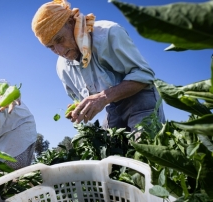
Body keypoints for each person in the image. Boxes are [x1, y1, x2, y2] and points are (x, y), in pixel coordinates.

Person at [31, 0, 165, 133]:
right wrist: (79, 108)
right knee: (108, 150)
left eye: (59, 39)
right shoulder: (62, 67)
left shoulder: (108, 33)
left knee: (144, 147)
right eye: (51, 47)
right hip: (112, 106)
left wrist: (103, 98)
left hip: (141, 97)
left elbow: (144, 74)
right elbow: (83, 99)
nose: (60, 51)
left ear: (71, 23)